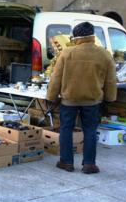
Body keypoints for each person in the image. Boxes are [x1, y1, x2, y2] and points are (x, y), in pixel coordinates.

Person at [47, 21, 117, 174]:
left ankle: (66, 162)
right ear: (92, 35)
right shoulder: (104, 54)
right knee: (90, 131)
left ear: (76, 36)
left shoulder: (67, 53)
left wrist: (51, 96)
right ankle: (89, 164)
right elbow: (111, 80)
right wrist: (110, 98)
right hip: (93, 100)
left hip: (69, 100)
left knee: (66, 129)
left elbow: (56, 78)